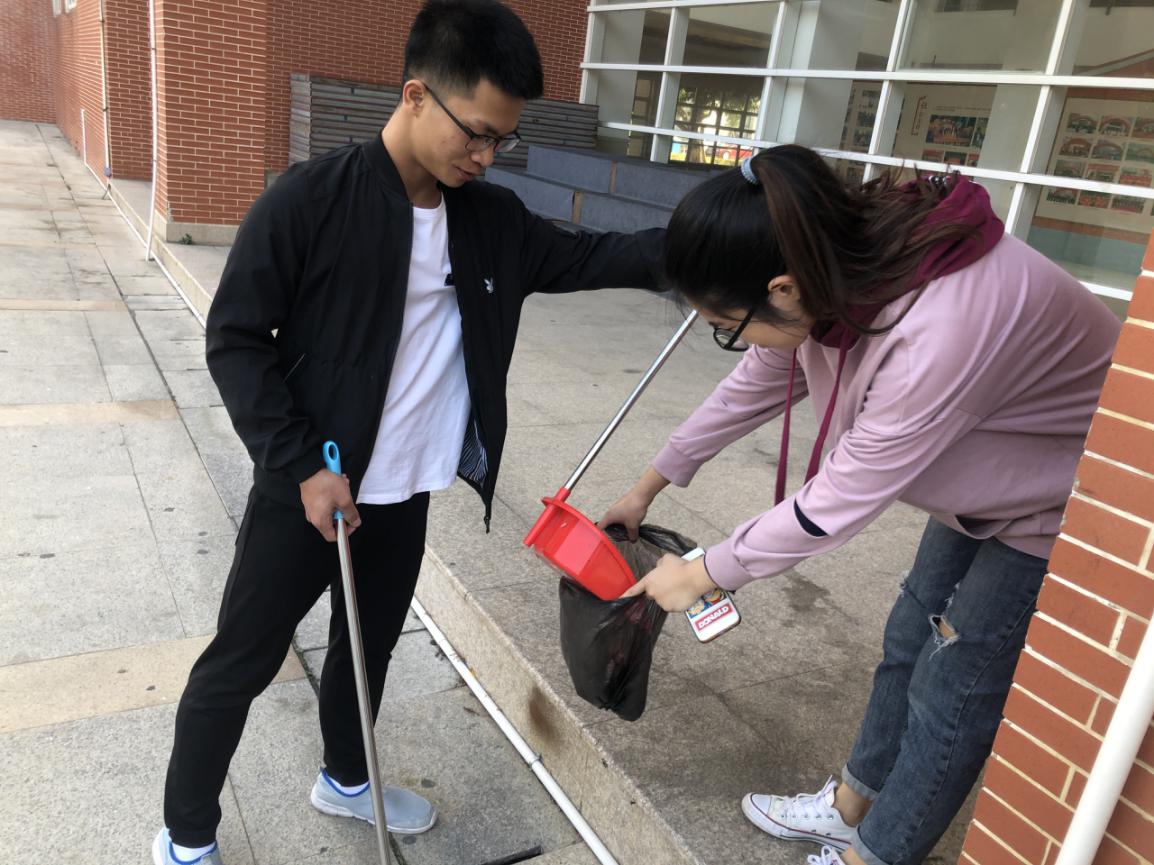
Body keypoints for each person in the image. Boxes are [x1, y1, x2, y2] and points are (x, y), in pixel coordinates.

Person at [152, 2, 664, 863]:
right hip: (310, 488)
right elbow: (235, 339)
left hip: (404, 490)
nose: (487, 155)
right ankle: (185, 836)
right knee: (241, 660)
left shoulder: (489, 220)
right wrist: (298, 463)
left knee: (369, 648)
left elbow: (596, 257)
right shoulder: (309, 201)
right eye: (478, 133)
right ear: (417, 95)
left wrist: (718, 240)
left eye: (502, 139)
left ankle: (345, 777)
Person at [600, 145, 1120, 865]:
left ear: (782, 289)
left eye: (727, 323)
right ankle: (852, 807)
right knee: (909, 636)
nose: (733, 339)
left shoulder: (940, 326)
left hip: (1059, 498)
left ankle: (874, 854)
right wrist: (648, 484)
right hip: (987, 473)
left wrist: (703, 572)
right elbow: (757, 381)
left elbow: (837, 501)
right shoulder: (832, 266)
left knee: (953, 689)